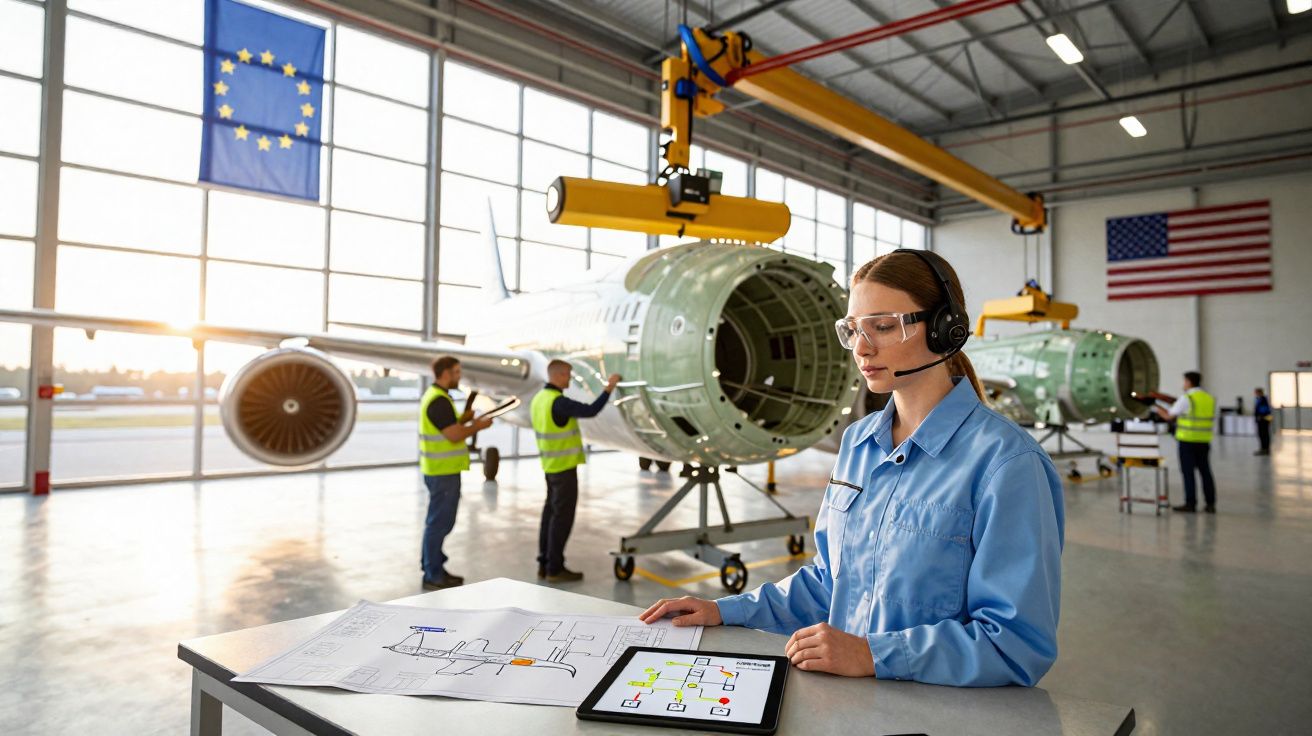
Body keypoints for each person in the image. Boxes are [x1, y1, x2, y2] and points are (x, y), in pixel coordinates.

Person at [639, 250, 1065, 687]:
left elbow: (1016, 644)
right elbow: (832, 582)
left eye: (883, 327)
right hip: (846, 703)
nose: (862, 348)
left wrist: (872, 654)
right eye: (854, 329)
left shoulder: (1007, 464)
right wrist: (725, 610)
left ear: (944, 329)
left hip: (934, 712)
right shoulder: (859, 444)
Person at [531, 360, 619, 583]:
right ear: (559, 375)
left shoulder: (539, 399)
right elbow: (591, 410)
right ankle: (555, 568)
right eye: (568, 375)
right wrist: (609, 388)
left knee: (549, 516)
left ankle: (544, 564)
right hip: (563, 469)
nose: (570, 379)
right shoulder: (558, 402)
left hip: (550, 466)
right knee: (561, 519)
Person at [419, 356, 493, 590]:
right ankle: (433, 574)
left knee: (438, 522)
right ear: (445, 373)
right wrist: (477, 426)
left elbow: (447, 427)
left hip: (440, 471)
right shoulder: (439, 401)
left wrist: (463, 419)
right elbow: (453, 435)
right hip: (443, 473)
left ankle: (434, 568)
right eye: (456, 372)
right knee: (439, 524)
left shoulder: (437, 396)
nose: (459, 377)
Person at [1154, 371, 1217, 513]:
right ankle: (1210, 504)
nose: (1183, 384)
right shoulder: (1209, 398)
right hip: (1204, 440)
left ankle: (1190, 503)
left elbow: (1168, 416)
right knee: (1205, 472)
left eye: (1184, 381)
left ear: (1188, 382)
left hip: (1187, 441)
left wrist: (1155, 407)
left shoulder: (1187, 398)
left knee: (1188, 473)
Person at [1253, 387, 1272, 456]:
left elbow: (1264, 410)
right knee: (1262, 434)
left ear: (1260, 392)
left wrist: (1260, 416)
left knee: (1264, 434)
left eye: (1256, 392)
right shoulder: (1259, 399)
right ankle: (1263, 448)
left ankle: (1265, 449)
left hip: (1264, 420)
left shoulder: (1263, 399)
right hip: (1262, 419)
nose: (1255, 394)